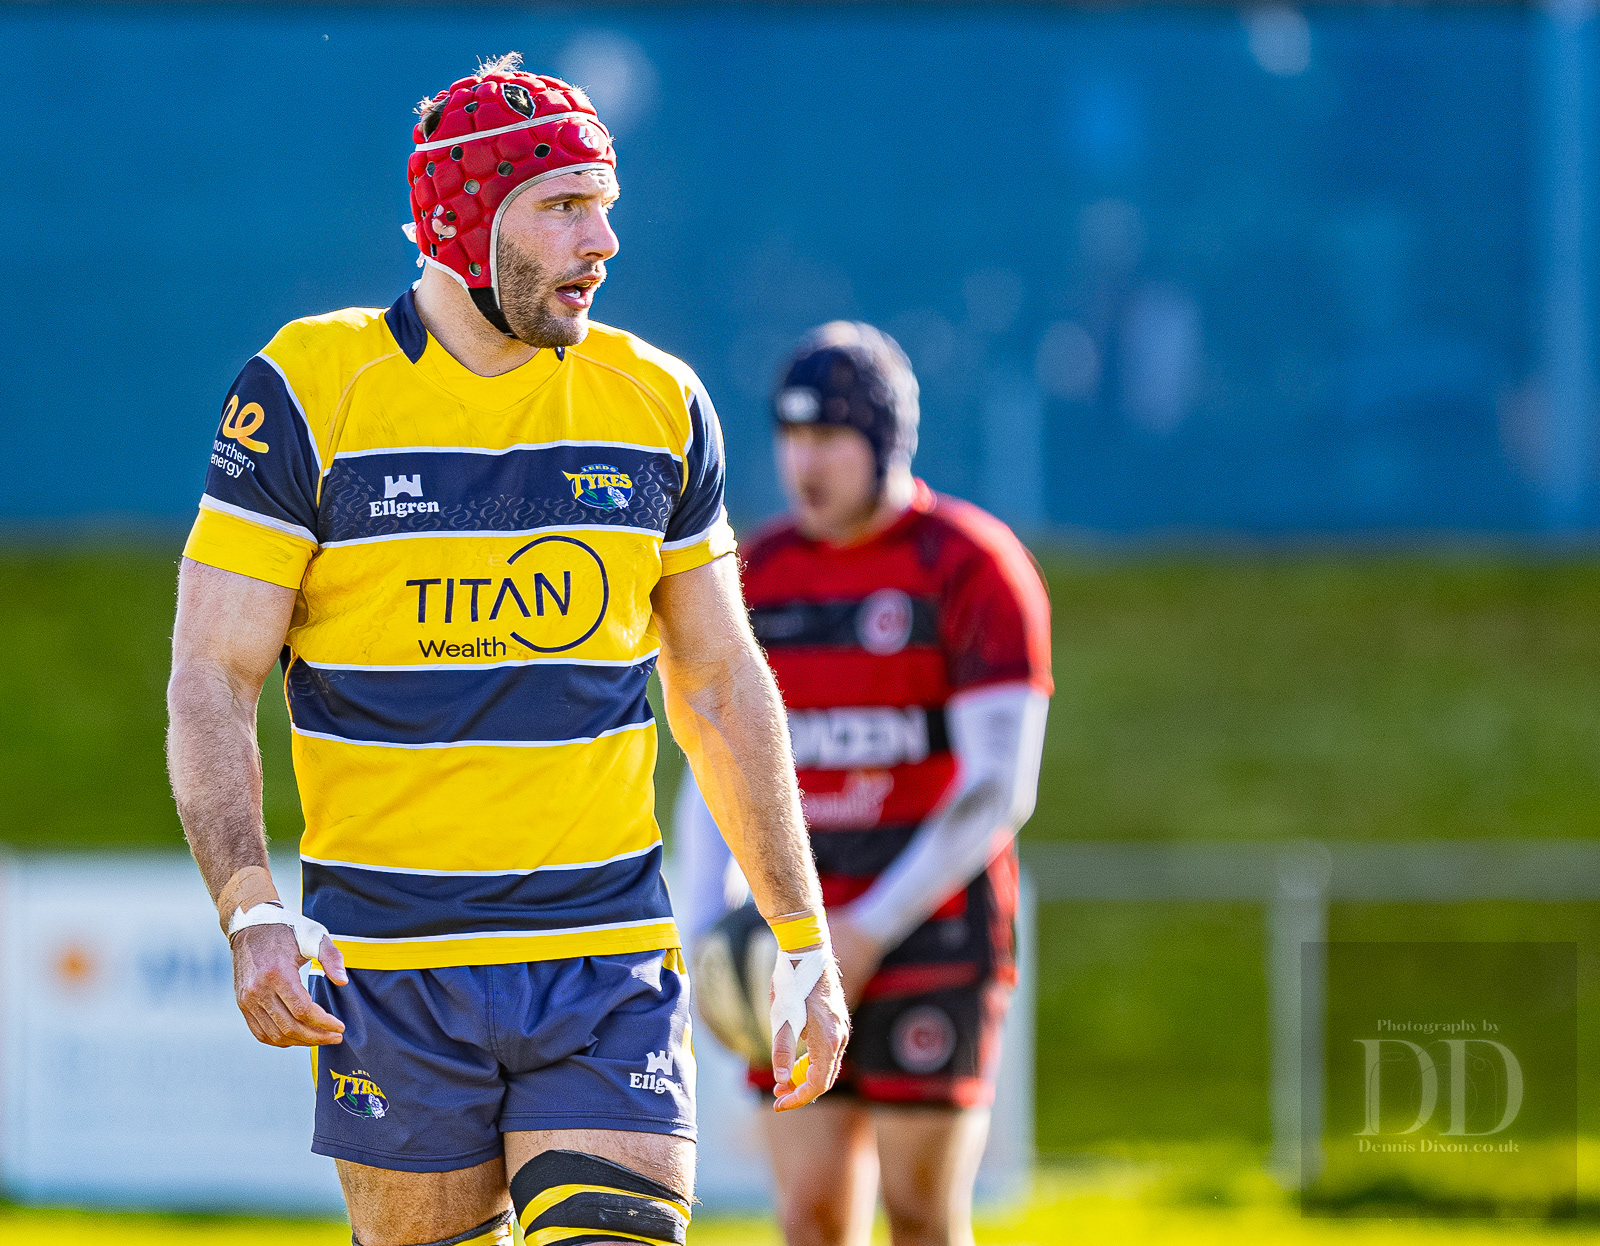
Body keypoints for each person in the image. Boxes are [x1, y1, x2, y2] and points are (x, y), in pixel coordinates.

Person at [165, 54, 848, 1246]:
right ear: (464, 220)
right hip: (388, 965)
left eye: (606, 205)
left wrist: (803, 937)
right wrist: (249, 908)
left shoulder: (658, 402)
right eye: (565, 206)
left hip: (604, 959)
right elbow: (212, 679)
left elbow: (718, 682)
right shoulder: (307, 392)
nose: (604, 241)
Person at [679, 322, 1052, 1246]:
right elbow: (714, 758)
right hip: (796, 944)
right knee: (809, 1219)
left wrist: (871, 926)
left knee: (921, 1215)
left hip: (932, 933)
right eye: (791, 435)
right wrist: (703, 933)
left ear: (886, 440)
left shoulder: (971, 565)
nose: (805, 462)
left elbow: (1000, 787)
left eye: (831, 436)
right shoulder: (752, 575)